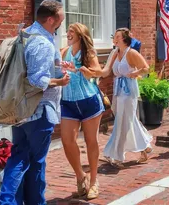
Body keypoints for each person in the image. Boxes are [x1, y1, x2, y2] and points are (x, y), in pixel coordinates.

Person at [0, 0, 69, 205]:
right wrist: (60, 80)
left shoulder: (26, 35)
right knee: (32, 162)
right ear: (50, 19)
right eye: (60, 18)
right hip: (38, 110)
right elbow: (37, 81)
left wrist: (58, 66)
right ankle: (15, 202)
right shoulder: (42, 43)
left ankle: (17, 201)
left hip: (20, 109)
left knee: (20, 155)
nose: (62, 21)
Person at [59, 23, 104, 199]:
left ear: (81, 35)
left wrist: (87, 71)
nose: (68, 34)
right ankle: (80, 176)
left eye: (72, 32)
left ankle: (93, 182)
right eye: (68, 31)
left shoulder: (89, 53)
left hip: (89, 102)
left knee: (90, 141)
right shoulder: (64, 51)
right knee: (67, 140)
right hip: (68, 102)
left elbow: (98, 72)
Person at [101, 28, 153, 167]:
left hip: (129, 91)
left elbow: (146, 68)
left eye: (117, 36)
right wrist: (92, 74)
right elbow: (106, 71)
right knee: (128, 121)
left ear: (124, 39)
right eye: (114, 36)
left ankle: (117, 156)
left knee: (122, 122)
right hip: (118, 90)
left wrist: (134, 73)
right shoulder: (114, 52)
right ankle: (144, 148)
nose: (115, 38)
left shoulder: (131, 53)